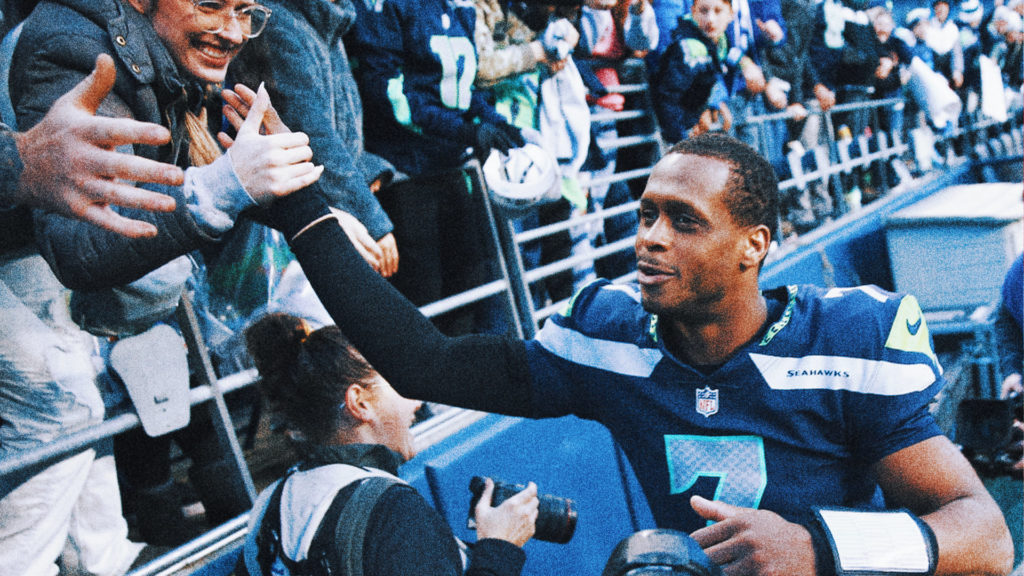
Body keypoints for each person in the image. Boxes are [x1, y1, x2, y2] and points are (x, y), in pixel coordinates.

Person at [253, 128, 1013, 575]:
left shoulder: (844, 342)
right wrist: (300, 208)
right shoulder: (606, 339)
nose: (650, 238)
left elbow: (984, 534)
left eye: (684, 220)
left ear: (753, 245)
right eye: (646, 215)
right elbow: (424, 362)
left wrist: (818, 548)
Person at [6, 0, 322, 556]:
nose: (233, 31)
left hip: (30, 259)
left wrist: (302, 208)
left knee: (82, 396)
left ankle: (103, 558)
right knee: (61, 403)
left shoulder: (152, 49)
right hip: (20, 258)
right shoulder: (77, 47)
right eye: (210, 4)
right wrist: (220, 190)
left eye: (246, 10)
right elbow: (81, 244)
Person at [0, 52, 186, 576]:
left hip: (13, 232)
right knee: (61, 402)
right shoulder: (36, 37)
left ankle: (103, 557)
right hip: (19, 200)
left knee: (82, 379)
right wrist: (18, 159)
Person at [238, 313, 538, 576]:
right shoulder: (393, 511)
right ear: (360, 403)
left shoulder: (266, 508)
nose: (417, 401)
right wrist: (500, 546)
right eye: (400, 383)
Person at [228, 0, 400, 279]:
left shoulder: (328, 19)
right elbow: (310, 137)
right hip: (289, 229)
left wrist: (365, 167)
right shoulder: (279, 25)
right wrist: (372, 220)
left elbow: (339, 122)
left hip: (328, 210)